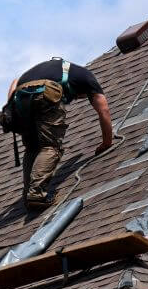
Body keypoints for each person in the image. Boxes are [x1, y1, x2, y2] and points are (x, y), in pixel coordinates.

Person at [7, 58, 113, 209]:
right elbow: (104, 110)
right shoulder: (88, 77)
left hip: (20, 97)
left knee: (32, 148)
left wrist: (11, 107)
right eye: (78, 96)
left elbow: (15, 81)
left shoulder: (56, 70)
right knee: (50, 147)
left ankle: (28, 195)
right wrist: (107, 143)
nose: (75, 98)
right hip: (43, 92)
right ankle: (36, 194)